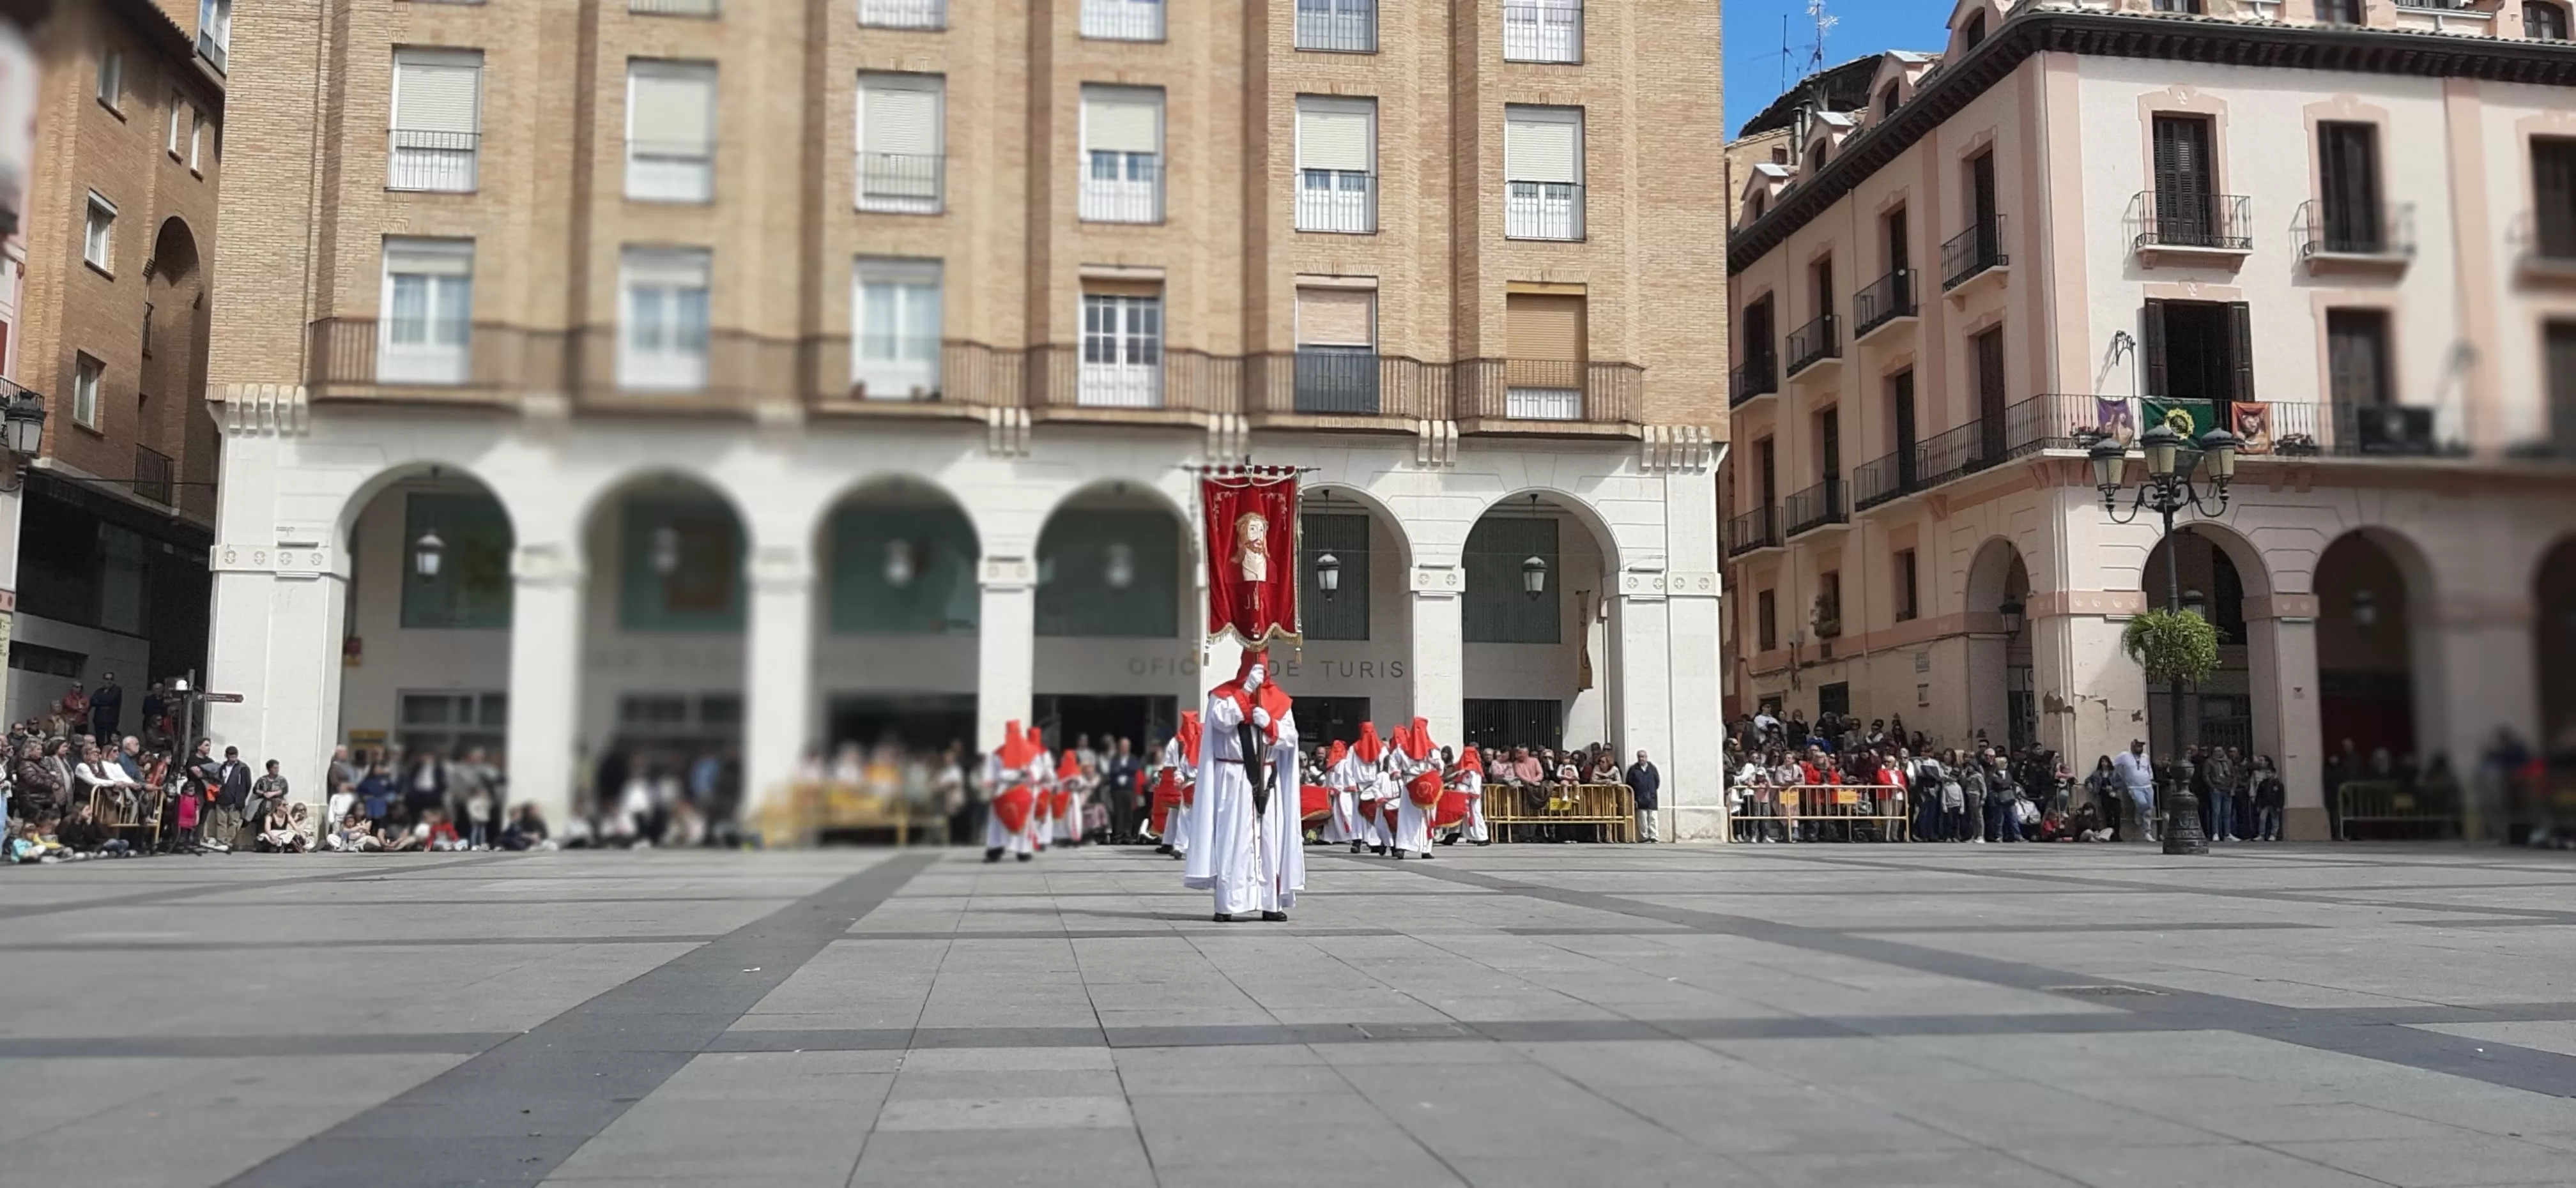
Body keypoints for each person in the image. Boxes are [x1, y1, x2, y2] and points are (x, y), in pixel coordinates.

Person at [1186, 650, 1305, 922]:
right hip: (1233, 776)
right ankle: (1228, 903)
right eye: (1254, 667)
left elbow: (1291, 738)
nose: (1259, 672)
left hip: (1267, 778)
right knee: (1233, 838)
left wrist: (1271, 725)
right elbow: (1220, 721)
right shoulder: (1222, 695)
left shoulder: (1279, 701)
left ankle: (1270, 903)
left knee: (1269, 840)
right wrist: (1246, 691)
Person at [982, 722, 1043, 863]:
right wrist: (994, 782)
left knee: (1024, 820)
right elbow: (993, 774)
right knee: (997, 820)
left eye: (1015, 732)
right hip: (1003, 789)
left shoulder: (1031, 750)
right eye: (1011, 733)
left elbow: (1037, 769)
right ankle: (995, 849)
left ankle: (1023, 851)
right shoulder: (999, 753)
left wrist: (1027, 773)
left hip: (1022, 789)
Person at [2112, 739, 2158, 842]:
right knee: (2142, 803)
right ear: (2133, 746)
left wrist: (2151, 778)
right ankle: (2139, 814)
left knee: (2149, 808)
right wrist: (2122, 777)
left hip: (2147, 785)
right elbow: (2114, 765)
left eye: (2141, 746)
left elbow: (2148, 768)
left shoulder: (2145, 757)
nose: (2140, 748)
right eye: (2138, 746)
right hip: (2134, 787)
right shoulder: (2124, 756)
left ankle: (2147, 832)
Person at [1626, 749, 1660, 843]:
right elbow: (1629, 783)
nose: (1642, 759)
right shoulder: (1633, 769)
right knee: (1642, 819)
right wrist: (1633, 797)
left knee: (1653, 818)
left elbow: (1657, 781)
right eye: (1640, 757)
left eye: (1643, 757)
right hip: (1639, 797)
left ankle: (1654, 836)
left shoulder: (1652, 768)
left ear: (1646, 757)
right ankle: (1644, 837)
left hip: (1652, 797)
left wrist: (1653, 792)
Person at [2251, 754, 2286, 842]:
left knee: (2275, 820)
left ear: (2273, 774)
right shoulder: (2263, 784)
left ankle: (2273, 835)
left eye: (2269, 773)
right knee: (2262, 819)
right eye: (2266, 773)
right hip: (2264, 804)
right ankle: (2261, 835)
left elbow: (2281, 796)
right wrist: (2258, 804)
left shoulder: (2278, 784)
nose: (2267, 775)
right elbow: (2259, 794)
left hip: (2274, 805)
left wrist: (2279, 806)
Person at [89, 673, 123, 742]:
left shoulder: (117, 690)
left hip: (111, 720)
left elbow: (111, 700)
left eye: (111, 679)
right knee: (99, 740)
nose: (109, 681)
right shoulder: (99, 691)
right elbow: (93, 701)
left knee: (110, 741)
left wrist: (99, 701)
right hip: (99, 720)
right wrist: (104, 702)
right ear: (103, 680)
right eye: (107, 679)